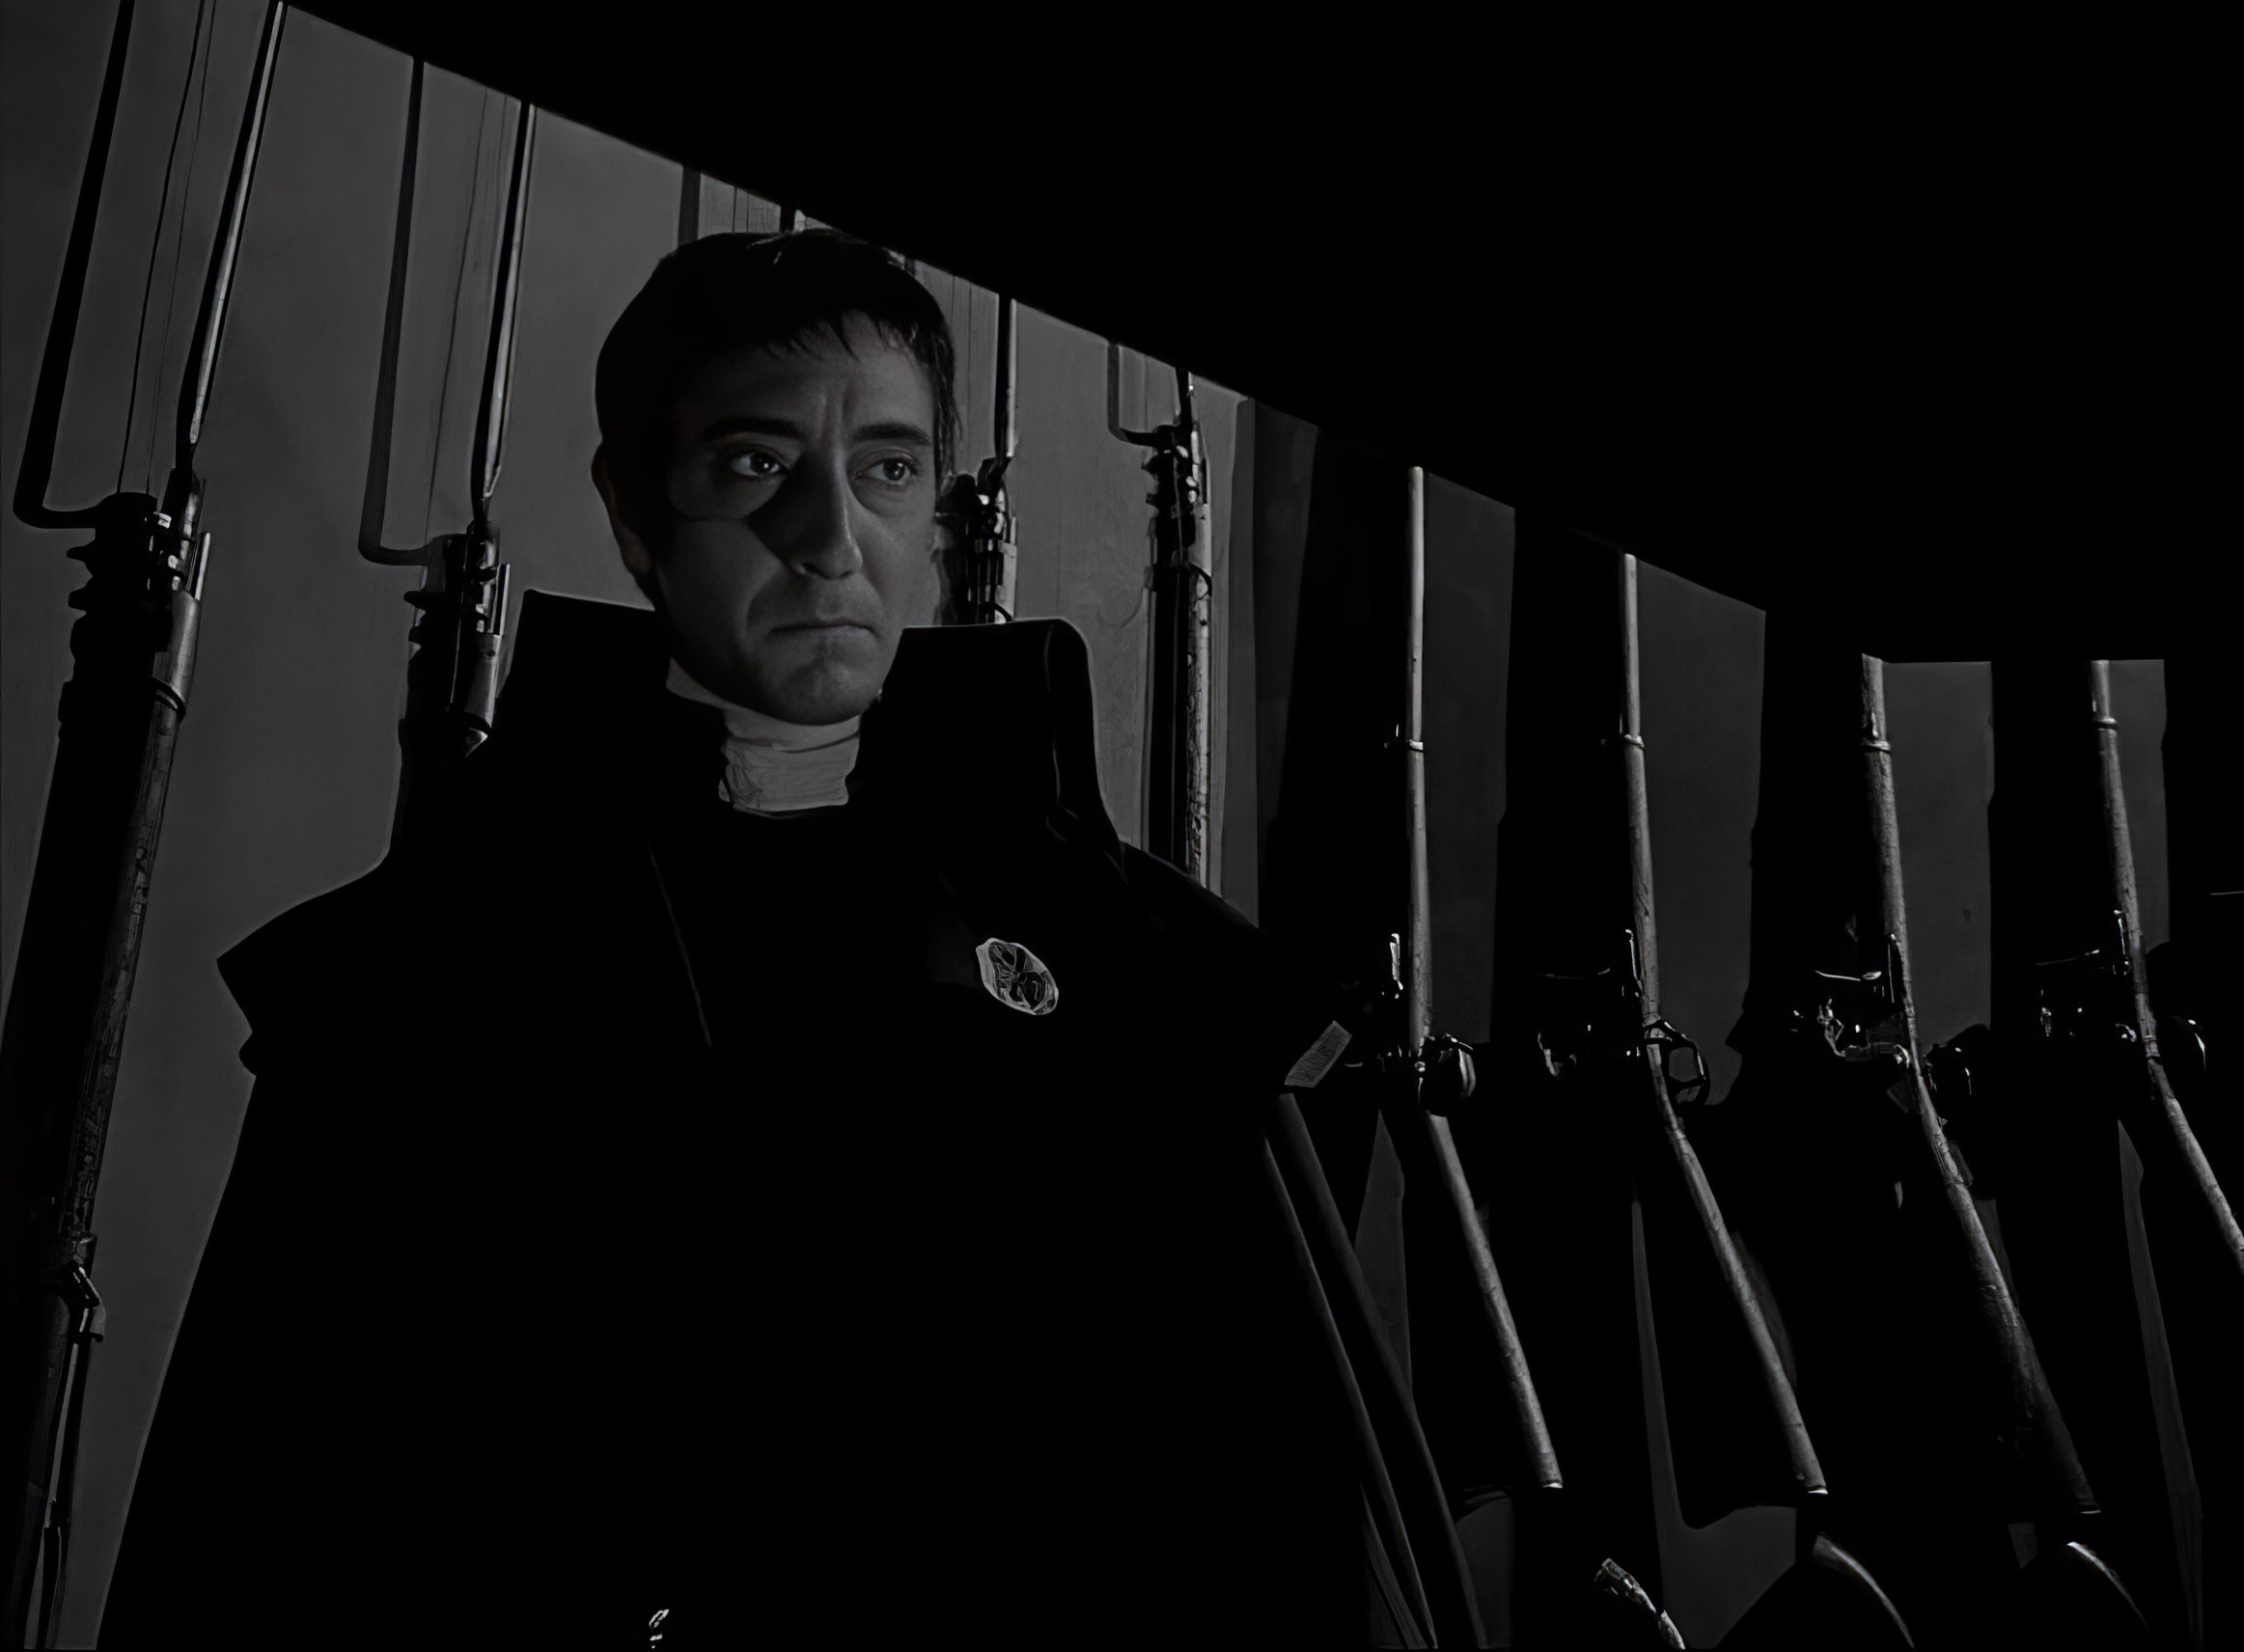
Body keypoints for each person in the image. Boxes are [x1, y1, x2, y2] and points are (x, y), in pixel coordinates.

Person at [100, 231, 1363, 1646]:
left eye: (887, 468)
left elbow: (1261, 1487)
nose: (832, 540)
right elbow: (263, 1500)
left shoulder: (1116, 949)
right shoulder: (435, 970)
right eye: (758, 465)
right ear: (636, 512)